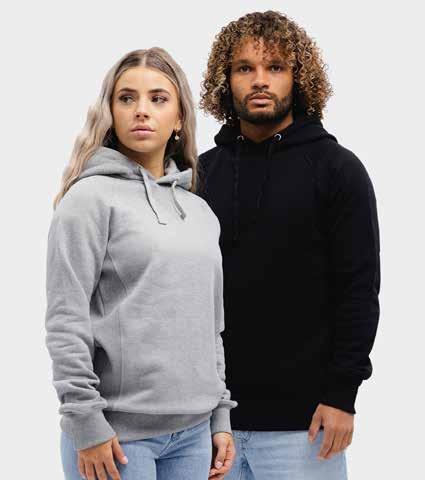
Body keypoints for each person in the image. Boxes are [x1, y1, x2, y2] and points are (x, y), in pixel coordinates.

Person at [198, 11, 380, 480]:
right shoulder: (202, 174)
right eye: (245, 68)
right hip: (209, 427)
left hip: (305, 427)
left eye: (275, 67)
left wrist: (342, 395)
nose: (260, 80)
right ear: (226, 80)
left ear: (298, 78)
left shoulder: (338, 170)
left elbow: (359, 290)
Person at [44, 47, 237, 480]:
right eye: (127, 98)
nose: (141, 111)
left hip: (193, 435)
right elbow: (66, 319)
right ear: (110, 112)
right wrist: (86, 422)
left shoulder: (199, 212)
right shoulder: (88, 200)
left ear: (179, 117)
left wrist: (220, 416)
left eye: (158, 98)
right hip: (116, 437)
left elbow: (211, 325)